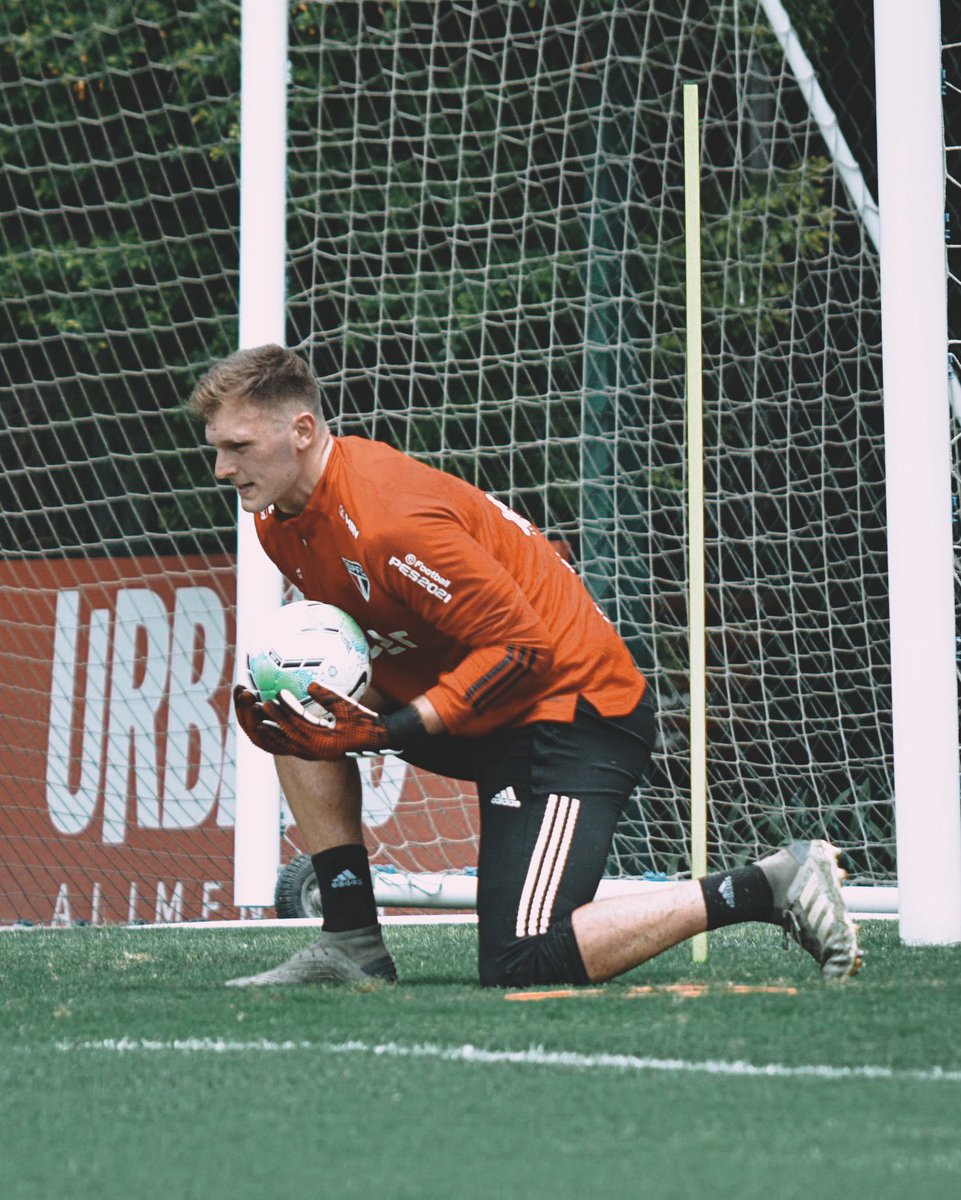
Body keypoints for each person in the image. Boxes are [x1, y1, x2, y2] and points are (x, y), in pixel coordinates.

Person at [189, 344, 862, 989]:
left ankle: (772, 881)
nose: (221, 469)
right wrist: (328, 706)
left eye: (238, 447)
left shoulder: (391, 519)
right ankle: (350, 942)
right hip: (491, 714)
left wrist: (388, 731)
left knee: (523, 958)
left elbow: (521, 650)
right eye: (217, 447)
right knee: (293, 710)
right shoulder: (278, 520)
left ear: (301, 430)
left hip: (574, 715)